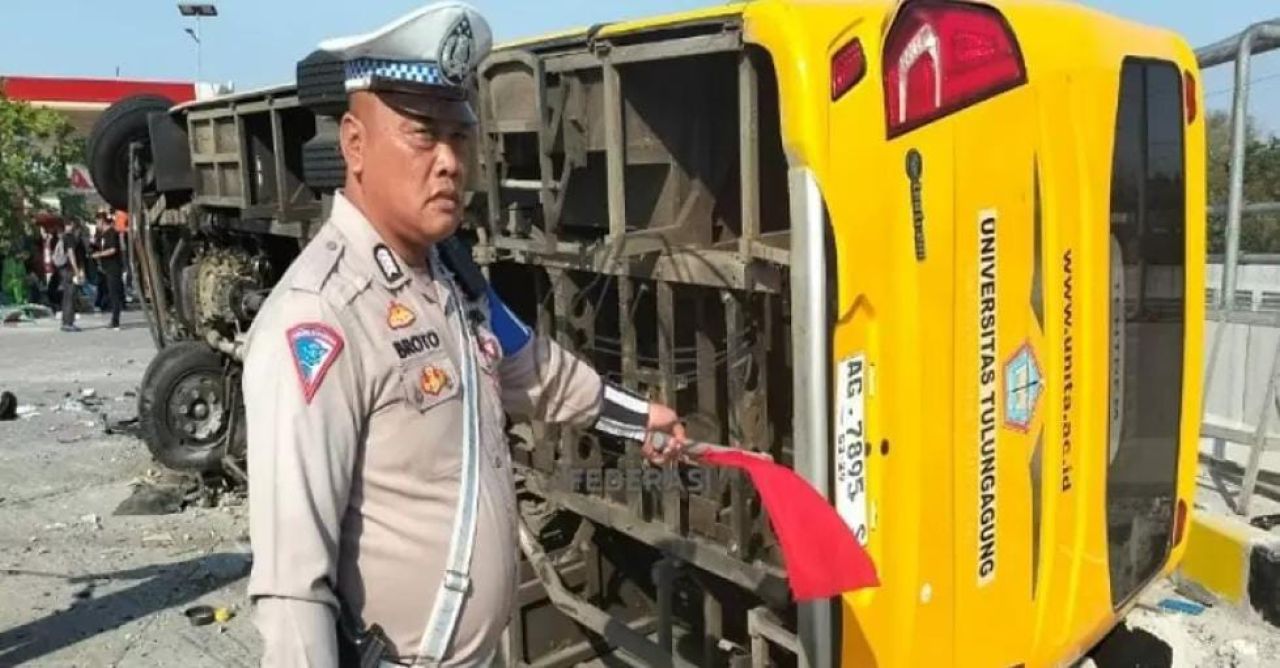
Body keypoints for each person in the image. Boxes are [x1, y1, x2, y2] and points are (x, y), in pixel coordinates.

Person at [242, 3, 687, 666]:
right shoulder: (320, 317)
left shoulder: (448, 279)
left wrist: (637, 417)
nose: (450, 161)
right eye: (423, 135)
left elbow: (532, 368)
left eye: (460, 135)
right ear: (355, 145)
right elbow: (291, 588)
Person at [91, 212, 125, 329]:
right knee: (109, 292)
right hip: (105, 268)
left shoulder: (111, 233)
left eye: (97, 222)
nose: (96, 225)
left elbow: (112, 249)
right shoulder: (102, 235)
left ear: (102, 221)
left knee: (114, 294)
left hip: (113, 267)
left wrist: (99, 254)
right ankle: (111, 313)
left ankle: (115, 320)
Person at [53, 218, 84, 332]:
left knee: (66, 296)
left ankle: (66, 321)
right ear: (71, 224)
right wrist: (76, 270)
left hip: (63, 269)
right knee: (71, 295)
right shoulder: (69, 237)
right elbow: (71, 254)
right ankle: (68, 322)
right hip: (69, 269)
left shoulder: (63, 237)